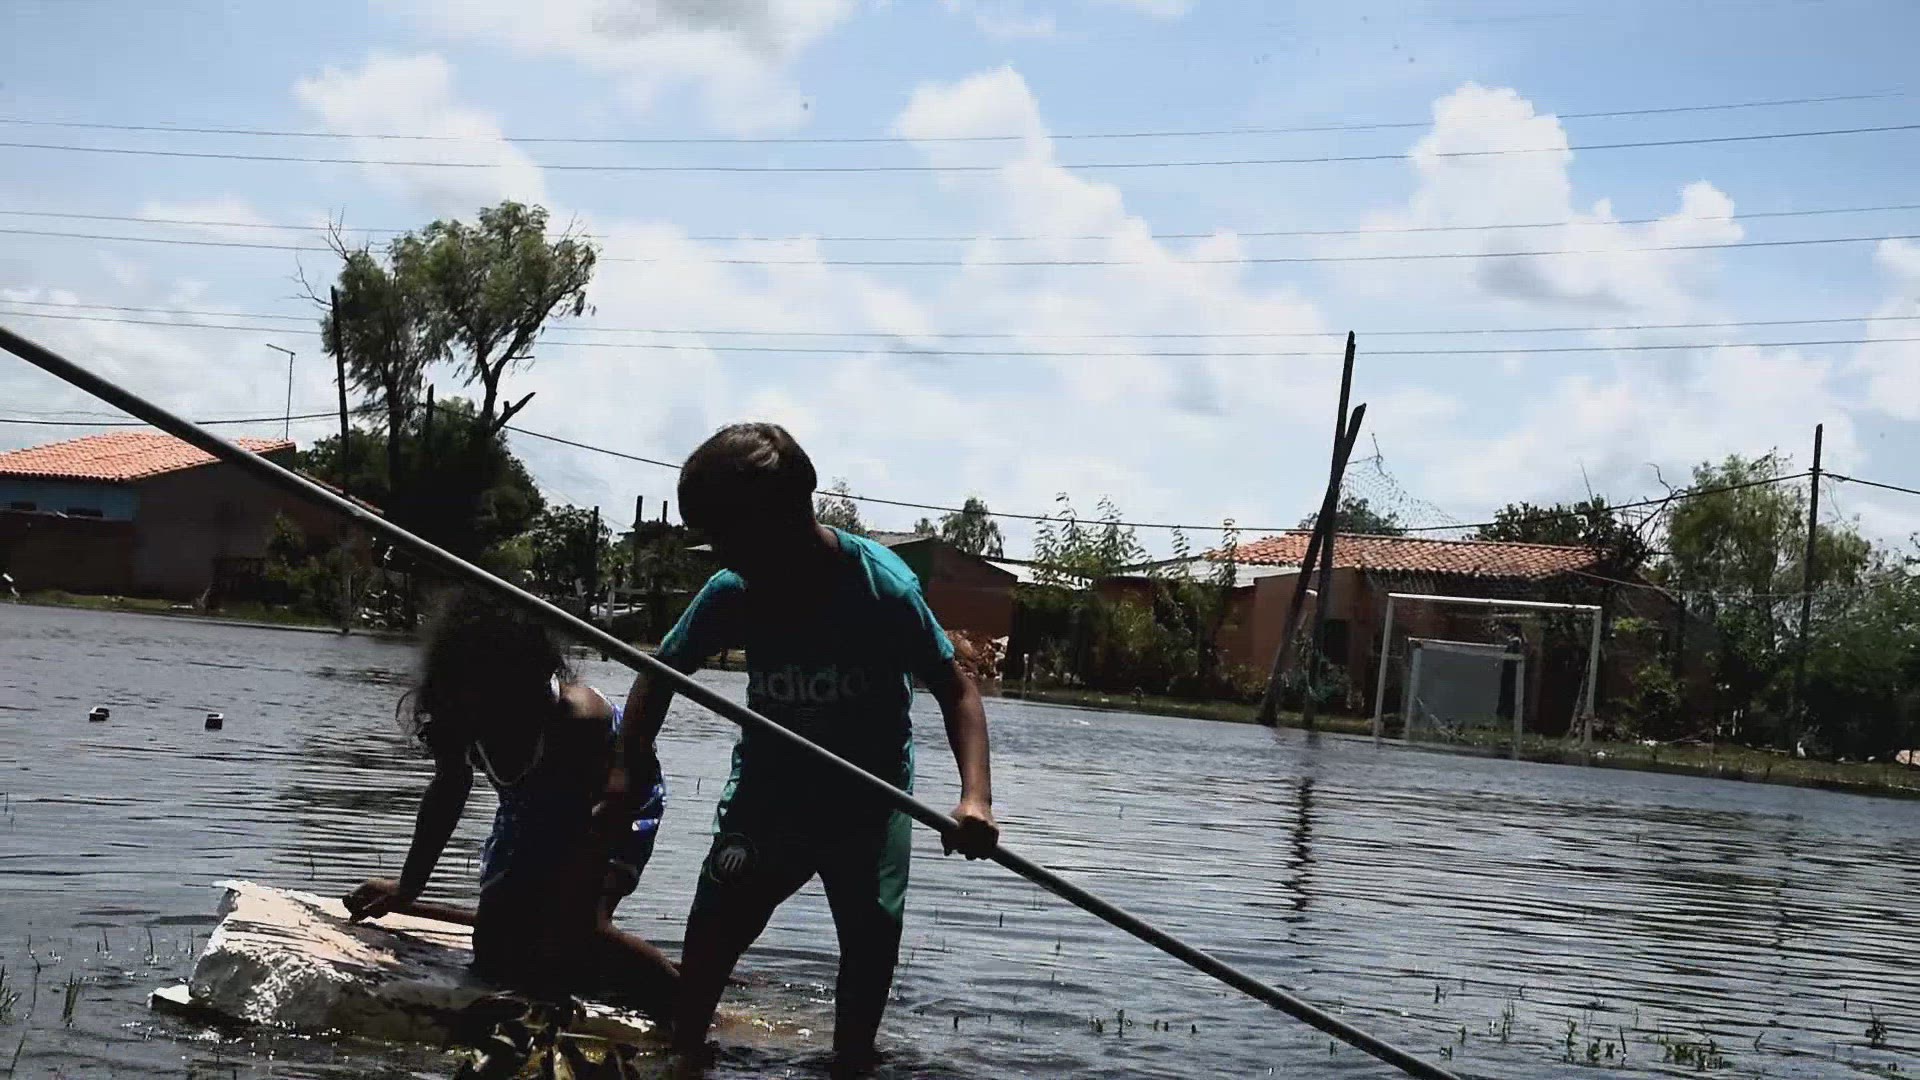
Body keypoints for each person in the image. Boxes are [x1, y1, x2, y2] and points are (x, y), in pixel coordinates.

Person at [599, 422, 998, 1071]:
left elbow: (957, 690)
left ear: (783, 516)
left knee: (868, 947)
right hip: (770, 794)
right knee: (713, 929)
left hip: (866, 800)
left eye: (726, 535)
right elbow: (658, 676)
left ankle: (850, 1060)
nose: (720, 553)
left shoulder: (881, 588)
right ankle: (685, 1053)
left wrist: (974, 798)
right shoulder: (734, 592)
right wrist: (626, 772)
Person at [344, 588, 677, 1019]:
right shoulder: (457, 713)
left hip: (614, 804)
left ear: (525, 682)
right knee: (494, 949)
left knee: (578, 926)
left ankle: (686, 1005)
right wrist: (409, 887)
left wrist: (564, 911)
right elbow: (447, 792)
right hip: (529, 805)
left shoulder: (578, 722)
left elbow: (601, 824)